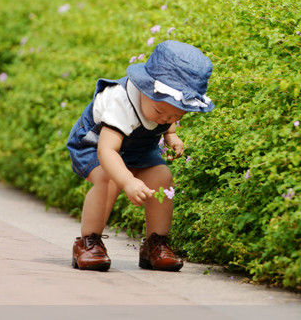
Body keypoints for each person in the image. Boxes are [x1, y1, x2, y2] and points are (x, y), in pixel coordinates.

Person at [67, 40, 214, 272]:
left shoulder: (163, 111)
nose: (165, 119)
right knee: (108, 179)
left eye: (176, 116)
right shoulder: (121, 101)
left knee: (162, 176)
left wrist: (171, 135)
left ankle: (156, 244)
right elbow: (107, 150)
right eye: (160, 112)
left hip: (138, 149)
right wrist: (128, 180)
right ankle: (89, 242)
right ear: (145, 88)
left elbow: (168, 117)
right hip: (95, 145)